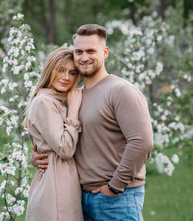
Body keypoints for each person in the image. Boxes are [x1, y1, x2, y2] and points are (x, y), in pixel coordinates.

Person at [30, 24, 154, 221]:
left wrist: (114, 186)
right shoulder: (74, 96)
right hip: (80, 197)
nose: (84, 57)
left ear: (105, 52)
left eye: (90, 51)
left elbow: (142, 142)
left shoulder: (120, 90)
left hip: (116, 199)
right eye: (78, 51)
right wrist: (39, 155)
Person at [24, 47, 83, 221]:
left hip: (63, 181)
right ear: (50, 71)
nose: (66, 77)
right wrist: (73, 111)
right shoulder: (44, 101)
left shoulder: (62, 99)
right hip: (56, 187)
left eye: (72, 72)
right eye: (61, 70)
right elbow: (64, 148)